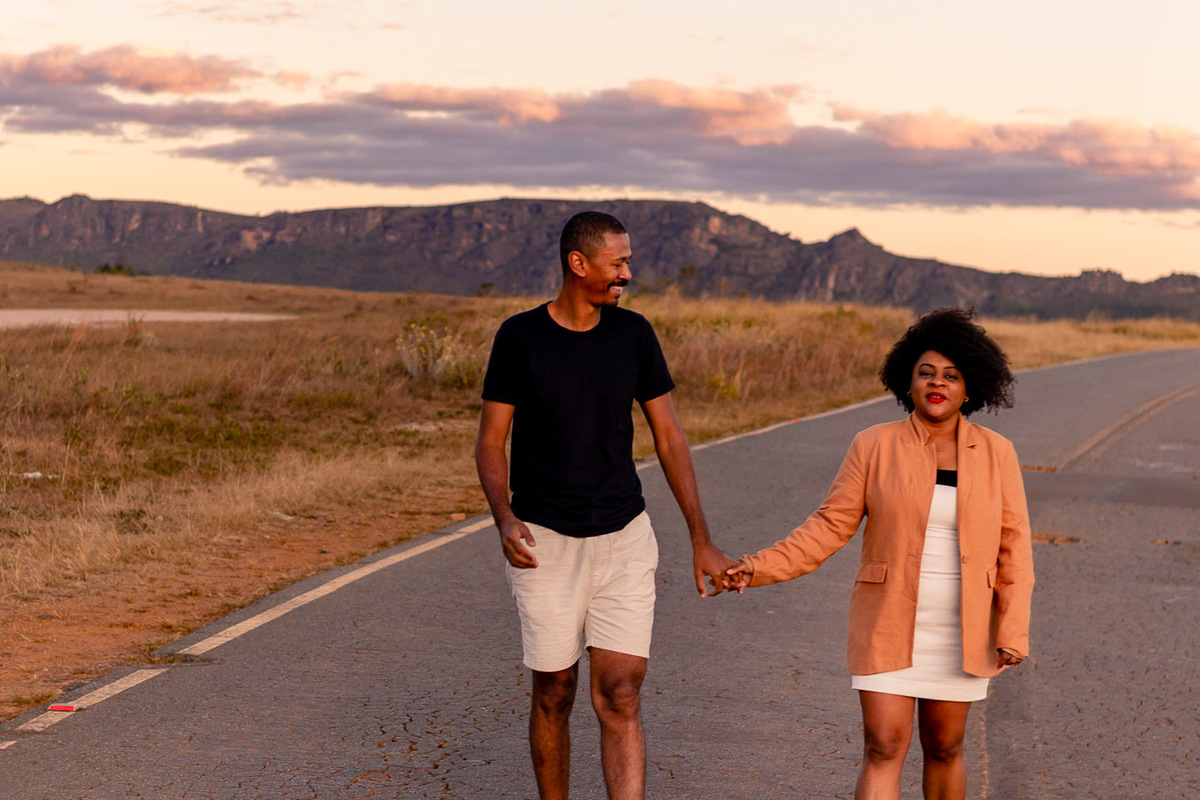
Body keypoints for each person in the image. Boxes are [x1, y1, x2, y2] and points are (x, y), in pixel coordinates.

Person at [475, 210, 733, 800]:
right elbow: (491, 442)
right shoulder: (519, 337)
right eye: (618, 263)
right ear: (579, 263)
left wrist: (700, 536)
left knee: (620, 690)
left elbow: (669, 435)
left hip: (623, 537)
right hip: (545, 541)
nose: (627, 274)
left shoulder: (634, 334)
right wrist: (505, 518)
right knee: (555, 691)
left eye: (628, 262)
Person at [726, 307, 1035, 800]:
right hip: (888, 618)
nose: (938, 384)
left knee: (945, 747)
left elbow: (1015, 549)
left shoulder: (997, 452)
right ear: (907, 380)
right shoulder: (873, 445)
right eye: (927, 372)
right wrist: (757, 566)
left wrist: (1012, 629)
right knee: (884, 746)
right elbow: (828, 526)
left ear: (970, 388)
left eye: (952, 376)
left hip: (965, 627)